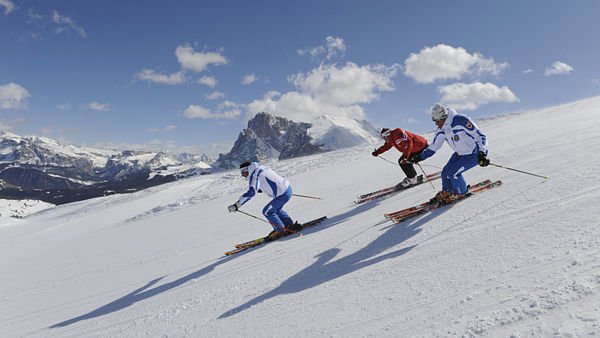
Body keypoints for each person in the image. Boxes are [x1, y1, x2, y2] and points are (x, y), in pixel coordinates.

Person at [408, 103, 490, 204]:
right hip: (460, 154)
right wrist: (419, 157)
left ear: (444, 117)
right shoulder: (442, 129)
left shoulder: (461, 121)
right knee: (445, 173)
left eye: (437, 121)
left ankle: (461, 193)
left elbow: (480, 136)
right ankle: (448, 191)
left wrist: (482, 153)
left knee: (453, 173)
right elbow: (434, 146)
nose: (436, 124)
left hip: (475, 153)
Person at [228, 161, 300, 240]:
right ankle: (289, 225)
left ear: (247, 169)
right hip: (286, 189)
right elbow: (267, 178)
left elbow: (251, 192)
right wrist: (261, 188)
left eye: (243, 172)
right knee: (276, 209)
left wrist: (237, 205)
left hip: (282, 194)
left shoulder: (255, 175)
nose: (242, 175)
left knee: (267, 211)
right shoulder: (260, 167)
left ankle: (280, 230)